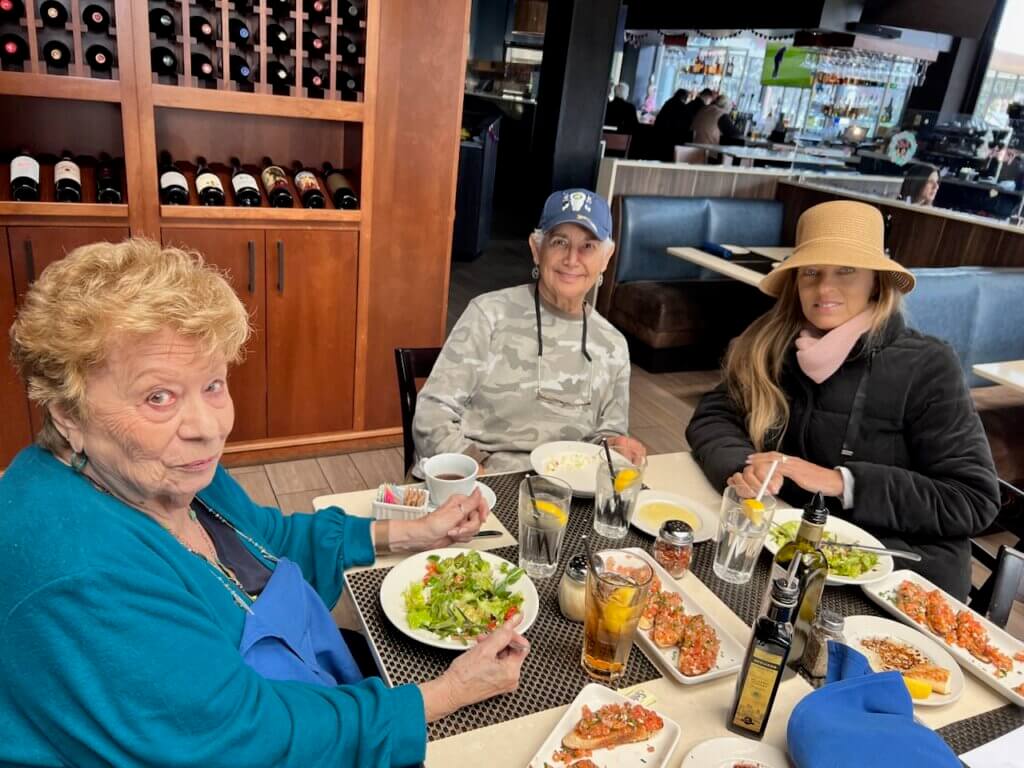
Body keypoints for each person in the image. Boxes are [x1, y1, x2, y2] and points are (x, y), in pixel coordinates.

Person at [0, 239, 530, 767]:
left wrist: (416, 532)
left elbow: (265, 540)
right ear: (66, 413)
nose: (208, 430)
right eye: (157, 397)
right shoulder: (82, 574)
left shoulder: (160, 472)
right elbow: (246, 740)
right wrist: (449, 692)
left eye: (212, 384)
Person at [686, 201, 999, 599]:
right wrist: (744, 468)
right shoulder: (771, 343)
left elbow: (973, 500)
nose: (824, 289)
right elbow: (714, 415)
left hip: (895, 577)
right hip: (788, 553)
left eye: (845, 271)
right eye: (811, 273)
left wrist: (841, 482)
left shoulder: (929, 364)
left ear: (876, 281)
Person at [414, 189, 646, 473]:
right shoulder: (489, 314)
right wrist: (476, 471)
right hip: (483, 483)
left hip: (569, 490)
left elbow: (606, 438)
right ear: (537, 249)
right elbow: (432, 414)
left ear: (606, 259)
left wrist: (618, 444)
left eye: (588, 246)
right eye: (560, 242)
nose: (572, 259)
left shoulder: (614, 345)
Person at [654, 87, 711, 161]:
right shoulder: (683, 107)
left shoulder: (668, 103)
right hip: (673, 139)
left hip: (659, 137)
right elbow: (687, 124)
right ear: (684, 98)